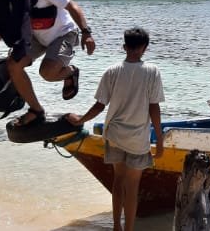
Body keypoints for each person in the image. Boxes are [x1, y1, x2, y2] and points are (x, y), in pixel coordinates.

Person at [66, 27, 164, 231]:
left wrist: (81, 119)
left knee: (118, 181)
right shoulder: (152, 72)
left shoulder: (111, 71)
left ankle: (116, 228)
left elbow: (99, 105)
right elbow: (154, 107)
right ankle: (128, 229)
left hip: (114, 134)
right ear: (144, 48)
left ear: (124, 47)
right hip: (137, 138)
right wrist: (160, 139)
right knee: (132, 187)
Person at [0, 0, 96, 127]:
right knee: (13, 65)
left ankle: (70, 72)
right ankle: (36, 110)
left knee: (47, 73)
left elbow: (72, 7)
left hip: (63, 33)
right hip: (35, 36)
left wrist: (86, 32)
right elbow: (5, 25)